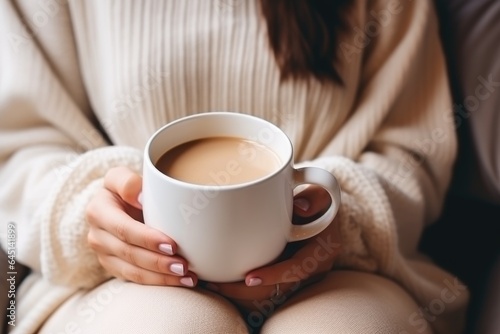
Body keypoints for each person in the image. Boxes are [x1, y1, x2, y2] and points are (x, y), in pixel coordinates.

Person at [0, 0, 469, 333]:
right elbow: (16, 147)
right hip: (115, 279)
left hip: (342, 275)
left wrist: (337, 220)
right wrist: (89, 215)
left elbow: (413, 150)